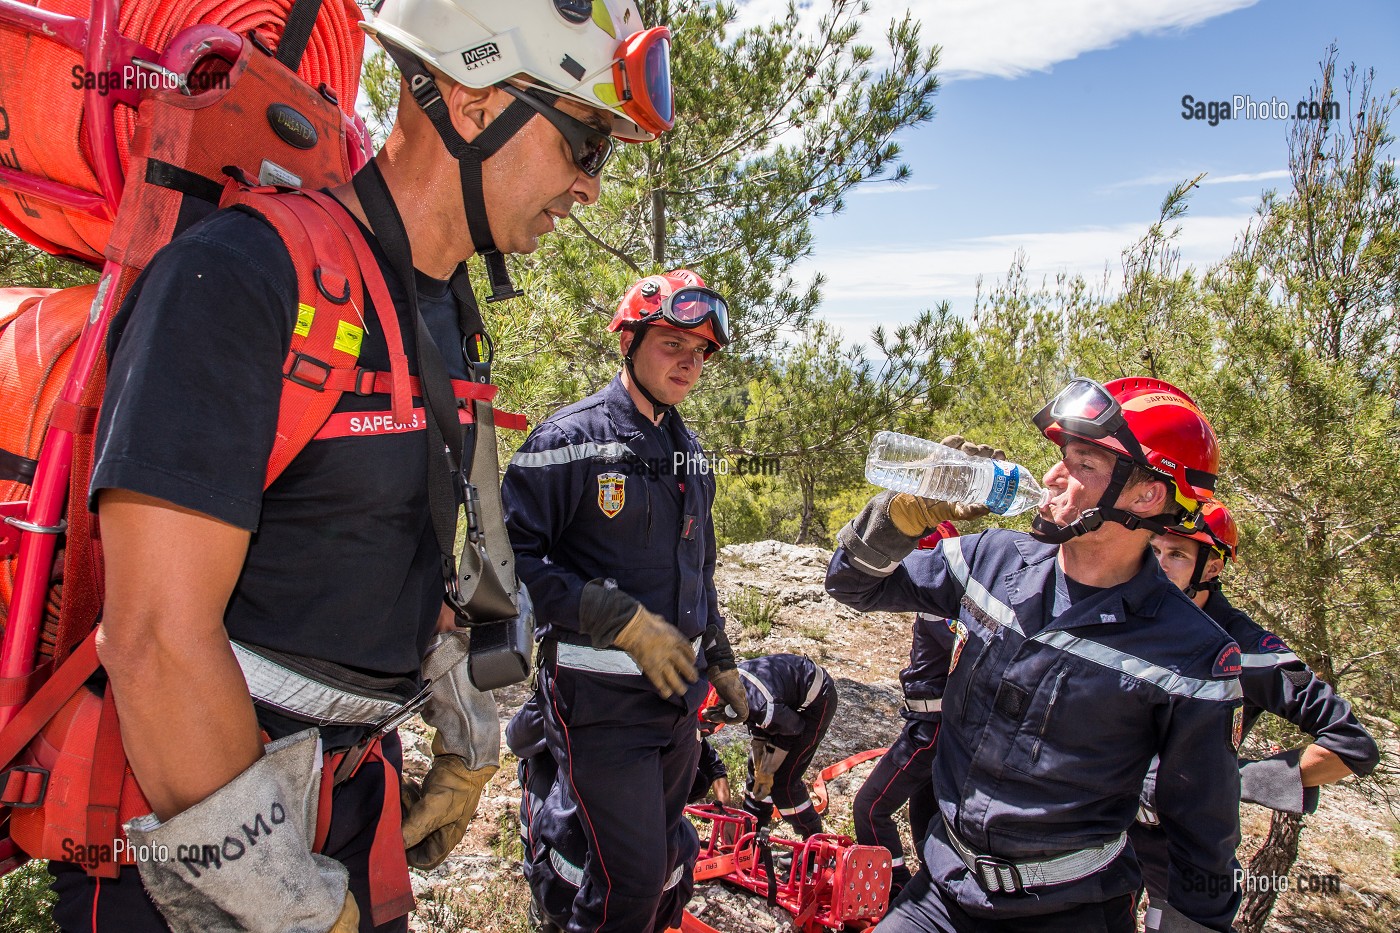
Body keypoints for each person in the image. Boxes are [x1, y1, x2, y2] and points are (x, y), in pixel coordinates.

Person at [70, 3, 678, 931]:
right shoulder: (239, 277)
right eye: (586, 143)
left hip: (350, 800)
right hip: (196, 842)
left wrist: (466, 733)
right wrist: (296, 907)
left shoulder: (442, 314)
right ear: (474, 102)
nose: (591, 187)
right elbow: (154, 641)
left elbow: (381, 547)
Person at [825, 378, 1245, 933]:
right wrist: (906, 513)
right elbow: (852, 586)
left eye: (1084, 464)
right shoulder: (993, 559)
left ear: (1146, 496)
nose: (1052, 477)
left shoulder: (1190, 655)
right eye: (1060, 458)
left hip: (1071, 914)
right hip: (941, 896)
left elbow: (1202, 833)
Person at [501, 269, 748, 933]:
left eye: (700, 352)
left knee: (662, 860)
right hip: (598, 706)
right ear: (629, 341)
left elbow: (700, 567)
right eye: (672, 342)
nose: (689, 362)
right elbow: (505, 566)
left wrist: (718, 653)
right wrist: (618, 619)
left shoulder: (689, 452)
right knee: (631, 880)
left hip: (675, 705)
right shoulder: (567, 441)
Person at [1133, 501, 1379, 904]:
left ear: (1211, 569)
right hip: (1112, 830)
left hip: (1187, 849)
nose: (1158, 564)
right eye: (1153, 549)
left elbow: (1353, 747)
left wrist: (1231, 780)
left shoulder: (1250, 650)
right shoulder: (1136, 618)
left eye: (1176, 554)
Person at [852, 522, 959, 897]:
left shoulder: (942, 606)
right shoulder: (943, 604)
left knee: (870, 808)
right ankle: (930, 891)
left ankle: (893, 892)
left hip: (929, 731)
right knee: (926, 820)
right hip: (933, 726)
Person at [701, 652, 838, 839]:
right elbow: (756, 722)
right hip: (783, 703)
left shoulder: (760, 705)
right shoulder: (729, 686)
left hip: (814, 703)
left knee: (783, 782)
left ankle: (814, 845)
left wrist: (769, 767)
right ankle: (753, 832)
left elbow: (793, 729)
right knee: (756, 767)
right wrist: (760, 758)